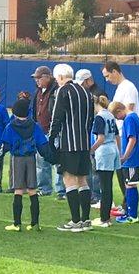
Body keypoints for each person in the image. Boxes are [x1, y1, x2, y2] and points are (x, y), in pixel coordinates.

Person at [49, 64, 94, 233]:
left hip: (69, 143)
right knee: (83, 180)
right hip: (84, 143)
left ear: (60, 77)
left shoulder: (63, 91)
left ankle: (75, 221)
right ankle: (85, 220)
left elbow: (57, 117)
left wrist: (52, 138)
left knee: (69, 179)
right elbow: (90, 119)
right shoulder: (86, 92)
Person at [0, 98, 53, 232]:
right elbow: (43, 145)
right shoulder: (35, 126)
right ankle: (35, 223)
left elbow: (5, 146)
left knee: (18, 190)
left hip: (17, 159)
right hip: (31, 159)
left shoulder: (11, 127)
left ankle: (17, 223)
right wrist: (52, 158)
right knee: (32, 190)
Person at [102, 60, 139, 217]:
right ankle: (126, 204)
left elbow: (129, 110)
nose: (107, 79)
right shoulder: (120, 88)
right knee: (121, 171)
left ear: (115, 71)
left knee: (126, 173)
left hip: (126, 135)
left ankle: (128, 207)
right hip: (119, 134)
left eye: (107, 75)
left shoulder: (129, 87)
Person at [109, 102, 139, 224]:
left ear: (120, 111)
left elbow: (132, 139)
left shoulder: (129, 119)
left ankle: (132, 215)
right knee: (130, 185)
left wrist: (125, 156)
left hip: (132, 159)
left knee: (131, 185)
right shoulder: (134, 116)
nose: (117, 119)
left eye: (116, 116)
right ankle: (130, 213)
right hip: (134, 158)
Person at [30, 65, 64, 199]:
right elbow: (35, 111)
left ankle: (61, 191)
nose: (36, 81)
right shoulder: (38, 92)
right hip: (40, 131)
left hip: (53, 132)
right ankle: (44, 188)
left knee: (57, 162)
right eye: (35, 78)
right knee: (41, 162)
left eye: (38, 78)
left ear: (47, 77)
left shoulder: (56, 91)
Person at [75, 68, 106, 205]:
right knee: (88, 167)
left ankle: (97, 195)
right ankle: (90, 194)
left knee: (95, 169)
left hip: (95, 135)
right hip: (88, 135)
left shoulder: (98, 94)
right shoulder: (85, 92)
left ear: (89, 80)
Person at [90, 96, 120, 228]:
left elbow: (101, 138)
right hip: (113, 150)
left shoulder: (99, 117)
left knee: (104, 187)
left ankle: (104, 218)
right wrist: (119, 151)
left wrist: (91, 150)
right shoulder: (110, 115)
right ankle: (106, 217)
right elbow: (117, 136)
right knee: (108, 185)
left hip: (104, 152)